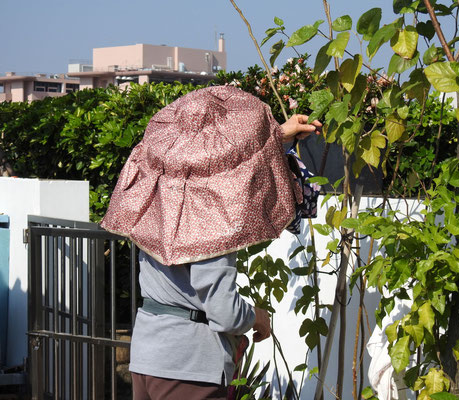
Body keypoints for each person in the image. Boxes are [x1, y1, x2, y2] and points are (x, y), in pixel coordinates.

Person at [101, 85, 321, 399]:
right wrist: (257, 316)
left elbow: (218, 159)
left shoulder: (162, 192)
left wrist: (278, 135)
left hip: (147, 358)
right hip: (189, 366)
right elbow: (224, 312)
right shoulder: (211, 217)